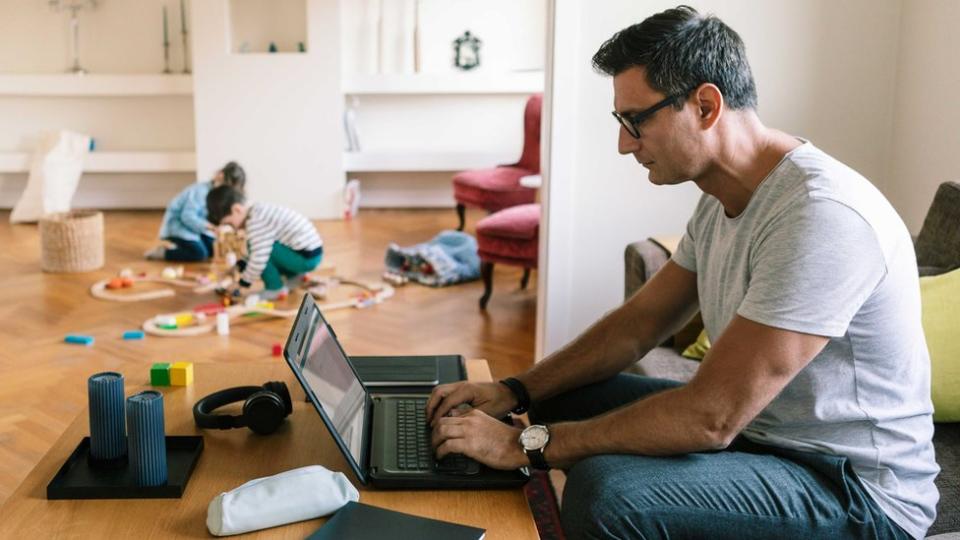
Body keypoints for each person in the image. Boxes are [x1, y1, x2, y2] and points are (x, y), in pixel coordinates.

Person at [425, 6, 939, 539]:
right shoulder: (722, 197)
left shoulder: (821, 216)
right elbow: (637, 325)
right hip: (764, 438)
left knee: (610, 494)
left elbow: (711, 417)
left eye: (635, 120)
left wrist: (525, 444)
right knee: (557, 396)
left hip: (856, 492)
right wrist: (515, 389)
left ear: (705, 105)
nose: (624, 143)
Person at [206, 185, 323, 301]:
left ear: (237, 209)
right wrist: (240, 266)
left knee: (259, 251)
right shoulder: (257, 210)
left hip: (306, 258)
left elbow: (258, 260)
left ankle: (275, 288)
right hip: (309, 253)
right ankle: (295, 276)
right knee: (257, 246)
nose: (234, 229)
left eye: (230, 224)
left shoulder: (256, 221)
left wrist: (242, 284)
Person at [145, 161, 246, 262]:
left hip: (194, 228)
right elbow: (187, 216)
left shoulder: (216, 195)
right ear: (220, 176)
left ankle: (187, 246)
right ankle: (165, 252)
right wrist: (212, 228)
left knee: (212, 249)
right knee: (199, 253)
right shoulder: (200, 191)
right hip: (178, 226)